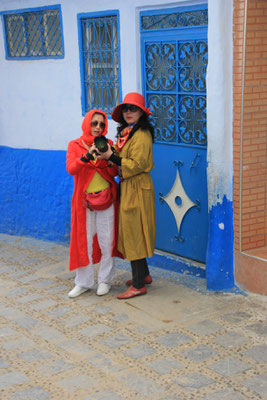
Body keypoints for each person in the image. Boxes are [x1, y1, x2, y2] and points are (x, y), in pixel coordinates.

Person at [95, 93, 156, 299]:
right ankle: (144, 275)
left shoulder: (142, 134)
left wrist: (112, 157)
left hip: (137, 186)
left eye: (133, 109)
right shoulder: (128, 133)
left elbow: (138, 164)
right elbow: (124, 158)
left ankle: (138, 284)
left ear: (141, 112)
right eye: (126, 109)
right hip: (129, 185)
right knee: (132, 229)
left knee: (134, 231)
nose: (129, 112)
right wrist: (112, 155)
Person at [66, 109, 122, 298]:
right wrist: (86, 157)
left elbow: (114, 173)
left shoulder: (109, 145)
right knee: (84, 241)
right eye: (94, 123)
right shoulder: (74, 145)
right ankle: (83, 282)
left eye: (102, 124)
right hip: (84, 202)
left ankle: (105, 280)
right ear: (87, 123)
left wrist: (108, 157)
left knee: (107, 241)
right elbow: (71, 169)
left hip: (106, 200)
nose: (98, 127)